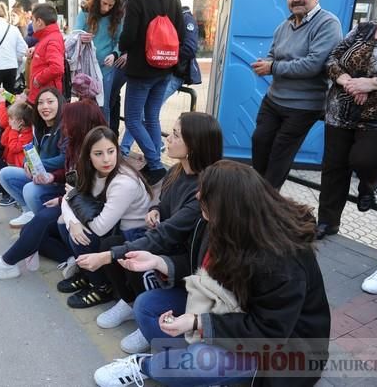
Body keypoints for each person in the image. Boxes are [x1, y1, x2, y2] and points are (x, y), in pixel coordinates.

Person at [94, 160, 331, 387]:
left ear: (227, 206)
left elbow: (268, 332)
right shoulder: (220, 221)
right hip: (224, 308)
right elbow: (200, 269)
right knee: (147, 306)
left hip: (279, 346)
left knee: (201, 360)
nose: (198, 197)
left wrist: (199, 323)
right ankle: (194, 368)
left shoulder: (281, 262)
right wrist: (158, 261)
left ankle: (146, 366)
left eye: (204, 195)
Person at [75, 112, 222, 353]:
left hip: (183, 256)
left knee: (130, 256)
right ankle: (130, 303)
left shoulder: (203, 191)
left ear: (193, 145)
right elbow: (162, 205)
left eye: (175, 135)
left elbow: (167, 235)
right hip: (164, 239)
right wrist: (154, 210)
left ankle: (148, 317)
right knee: (111, 245)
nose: (168, 138)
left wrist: (106, 257)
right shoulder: (176, 171)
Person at [0, 100, 107, 281]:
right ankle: (70, 259)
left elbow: (94, 193)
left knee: (41, 220)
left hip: (89, 211)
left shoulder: (99, 150)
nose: (64, 125)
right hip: (72, 200)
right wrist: (55, 179)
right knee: (29, 231)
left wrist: (61, 200)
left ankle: (6, 264)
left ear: (79, 122)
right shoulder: (77, 144)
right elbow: (72, 177)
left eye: (67, 121)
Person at [316, 0, 377, 240]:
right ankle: (327, 223)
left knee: (364, 159)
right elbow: (333, 57)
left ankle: (369, 183)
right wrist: (347, 80)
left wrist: (373, 83)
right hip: (341, 110)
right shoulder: (363, 29)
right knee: (334, 167)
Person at [250, 0, 342, 190]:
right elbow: (273, 54)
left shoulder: (328, 23)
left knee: (279, 155)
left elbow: (312, 66)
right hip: (274, 100)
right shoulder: (284, 25)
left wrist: (272, 67)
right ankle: (257, 193)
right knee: (259, 142)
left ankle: (266, 204)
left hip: (303, 106)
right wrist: (267, 62)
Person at [57, 126, 152, 309]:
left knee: (82, 238)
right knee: (64, 223)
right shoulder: (90, 171)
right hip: (111, 222)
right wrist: (72, 221)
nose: (106, 159)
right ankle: (87, 275)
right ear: (89, 156)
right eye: (98, 153)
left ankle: (101, 287)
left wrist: (73, 203)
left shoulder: (123, 182)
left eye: (111, 151)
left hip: (132, 232)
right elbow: (67, 197)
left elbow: (100, 228)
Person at [119, 0, 184, 186]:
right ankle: (153, 162)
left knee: (133, 119)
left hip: (141, 70)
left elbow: (128, 37)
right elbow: (181, 33)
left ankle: (155, 164)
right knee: (152, 117)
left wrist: (124, 47)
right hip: (165, 68)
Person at [120, 4, 201, 156]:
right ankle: (149, 150)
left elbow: (190, 48)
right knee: (144, 115)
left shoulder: (185, 18)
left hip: (173, 74)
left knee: (142, 115)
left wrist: (166, 55)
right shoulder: (170, 17)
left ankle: (131, 149)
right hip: (163, 72)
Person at [0, 88, 67, 227]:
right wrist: (26, 163)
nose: (45, 106)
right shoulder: (38, 127)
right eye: (40, 103)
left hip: (58, 179)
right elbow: (30, 151)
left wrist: (38, 164)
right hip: (38, 173)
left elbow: (64, 159)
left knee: (30, 189)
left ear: (60, 104)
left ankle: (45, 223)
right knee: (5, 173)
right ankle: (28, 211)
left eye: (50, 102)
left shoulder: (64, 128)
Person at [75, 0, 123, 124]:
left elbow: (119, 41)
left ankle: (103, 136)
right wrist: (81, 37)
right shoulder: (85, 13)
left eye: (110, 5)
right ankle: (84, 135)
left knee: (103, 105)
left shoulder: (117, 17)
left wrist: (115, 54)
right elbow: (75, 34)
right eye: (104, 3)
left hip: (106, 67)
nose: (106, 8)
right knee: (85, 103)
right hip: (86, 66)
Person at [108, 0, 137, 135]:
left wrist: (129, 53)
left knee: (111, 94)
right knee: (113, 94)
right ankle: (112, 133)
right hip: (114, 53)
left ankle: (111, 135)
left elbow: (140, 30)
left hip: (126, 56)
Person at [26, 3, 65, 105]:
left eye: (32, 20)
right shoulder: (48, 37)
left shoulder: (52, 39)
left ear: (39, 22)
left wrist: (38, 79)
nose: (31, 24)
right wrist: (36, 50)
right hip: (43, 95)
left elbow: (57, 67)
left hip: (46, 98)